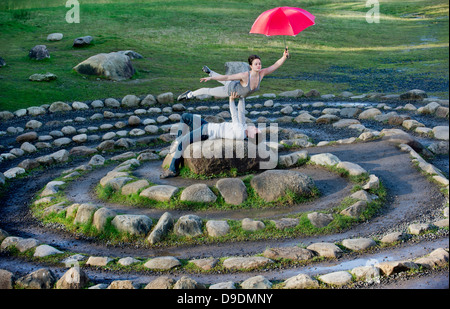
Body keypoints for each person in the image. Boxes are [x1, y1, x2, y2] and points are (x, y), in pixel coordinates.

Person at [160, 92, 261, 179]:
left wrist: (231, 99)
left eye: (256, 130)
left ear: (252, 135)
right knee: (185, 117)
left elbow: (234, 114)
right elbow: (241, 113)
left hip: (206, 132)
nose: (255, 127)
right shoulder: (243, 128)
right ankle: (178, 140)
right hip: (207, 125)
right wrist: (242, 97)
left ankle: (173, 170)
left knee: (182, 143)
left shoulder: (240, 132)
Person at [177, 48, 290, 101]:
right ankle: (189, 94)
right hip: (230, 90)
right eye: (256, 64)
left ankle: (210, 72)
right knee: (208, 91)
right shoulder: (245, 75)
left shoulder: (262, 73)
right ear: (251, 66)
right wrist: (211, 79)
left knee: (227, 82)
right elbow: (227, 77)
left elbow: (275, 65)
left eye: (260, 63)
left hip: (236, 86)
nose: (259, 66)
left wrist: (284, 56)